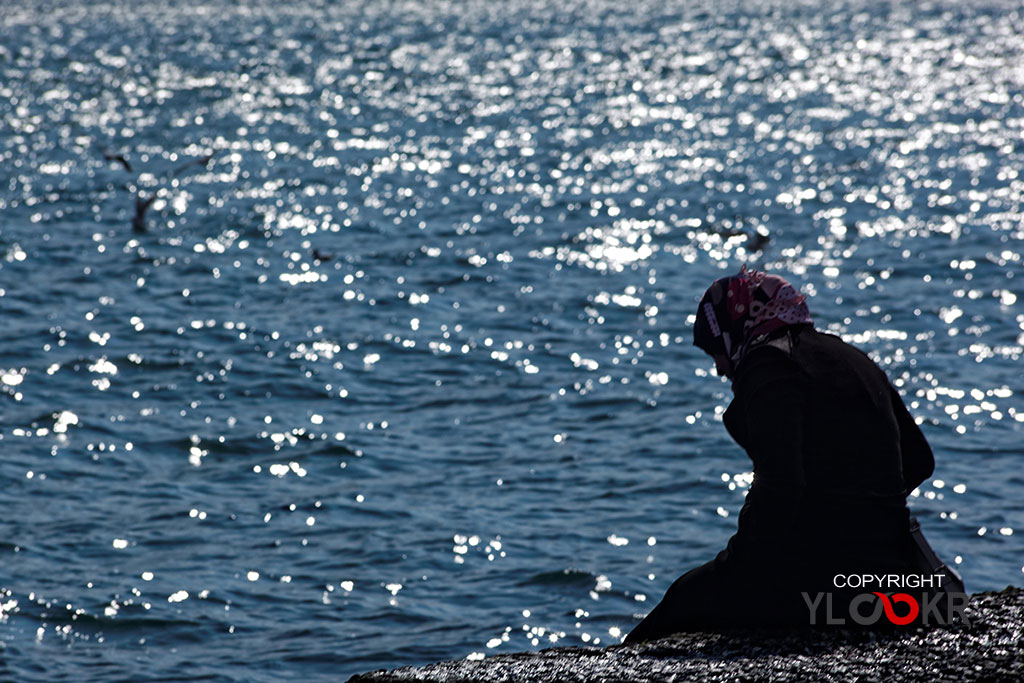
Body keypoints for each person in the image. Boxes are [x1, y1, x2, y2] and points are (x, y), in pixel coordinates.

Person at [626, 266, 961, 643]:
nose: (720, 369)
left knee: (679, 605)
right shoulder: (851, 356)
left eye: (715, 352)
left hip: (823, 589)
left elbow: (781, 488)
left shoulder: (767, 367)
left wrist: (739, 567)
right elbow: (919, 460)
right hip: (894, 579)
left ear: (736, 328)